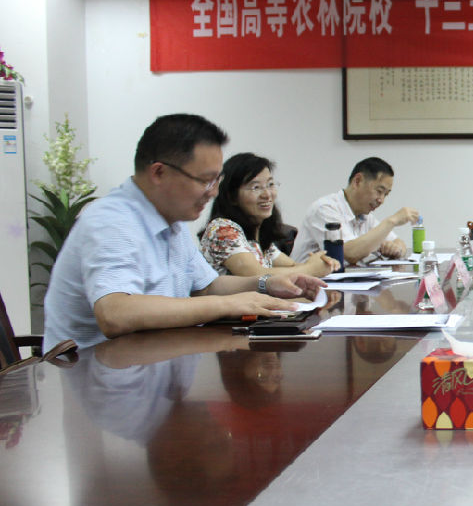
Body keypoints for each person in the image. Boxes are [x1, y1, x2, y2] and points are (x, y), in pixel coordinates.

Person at [43, 114, 324, 351]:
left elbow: (206, 286)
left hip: (155, 364)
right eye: (205, 181)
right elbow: (115, 313)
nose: (213, 193)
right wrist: (227, 305)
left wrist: (265, 284)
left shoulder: (171, 220)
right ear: (159, 173)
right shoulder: (112, 220)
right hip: (101, 377)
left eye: (217, 180)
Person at [199, 152, 339, 278]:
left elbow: (293, 267)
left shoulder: (257, 236)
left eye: (270, 184)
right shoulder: (222, 229)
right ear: (232, 196)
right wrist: (310, 269)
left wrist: (321, 263)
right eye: (256, 187)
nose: (267, 194)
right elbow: (255, 275)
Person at [292, 157, 419, 266]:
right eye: (379, 191)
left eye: (386, 194)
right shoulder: (325, 209)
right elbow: (350, 253)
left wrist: (396, 249)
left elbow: (399, 243)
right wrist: (392, 221)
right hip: (308, 284)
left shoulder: (364, 216)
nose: (381, 200)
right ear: (357, 181)